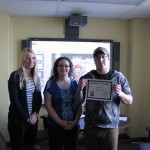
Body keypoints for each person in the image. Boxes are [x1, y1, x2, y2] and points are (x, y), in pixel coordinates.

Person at [75, 47, 133, 150]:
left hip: (110, 128)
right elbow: (78, 101)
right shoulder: (87, 77)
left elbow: (129, 100)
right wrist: (79, 89)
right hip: (91, 127)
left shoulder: (119, 77)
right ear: (94, 60)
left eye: (103, 57)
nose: (100, 60)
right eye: (97, 57)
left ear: (108, 58)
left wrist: (120, 93)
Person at [44, 56, 82, 150]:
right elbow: (48, 106)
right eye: (60, 66)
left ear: (70, 68)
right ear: (56, 68)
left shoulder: (75, 84)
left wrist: (75, 121)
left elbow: (80, 104)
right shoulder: (50, 84)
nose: (63, 68)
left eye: (66, 66)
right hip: (55, 126)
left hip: (73, 125)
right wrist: (61, 123)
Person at [8, 48, 42, 150]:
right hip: (18, 120)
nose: (31, 60)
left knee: (30, 146)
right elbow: (14, 100)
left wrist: (35, 114)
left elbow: (39, 99)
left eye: (33, 58)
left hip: (32, 119)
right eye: (28, 58)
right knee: (17, 146)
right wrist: (27, 117)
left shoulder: (36, 77)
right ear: (22, 60)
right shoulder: (15, 75)